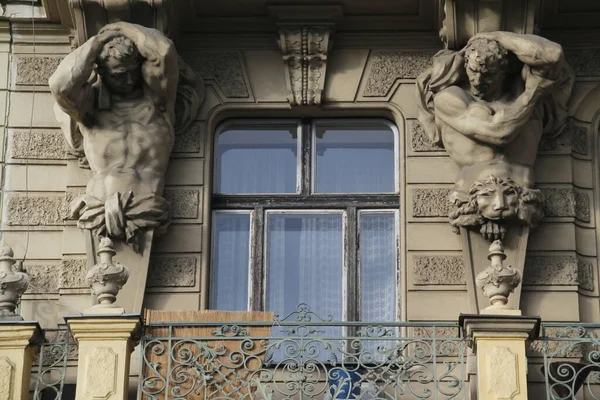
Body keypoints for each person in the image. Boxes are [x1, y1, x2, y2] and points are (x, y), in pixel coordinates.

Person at [50, 22, 201, 251]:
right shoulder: (90, 112)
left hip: (147, 205)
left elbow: (164, 52)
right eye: (119, 75)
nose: (129, 80)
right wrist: (97, 41)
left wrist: (122, 28)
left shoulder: (158, 104)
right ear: (101, 71)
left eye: (133, 71)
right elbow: (61, 86)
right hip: (97, 208)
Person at [416, 31, 573, 239]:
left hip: (525, 200)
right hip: (473, 201)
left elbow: (553, 55)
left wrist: (496, 35)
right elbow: (498, 133)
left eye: (489, 74)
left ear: (505, 71)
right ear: (465, 65)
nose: (479, 80)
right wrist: (532, 95)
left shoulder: (519, 89)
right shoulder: (450, 98)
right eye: (473, 71)